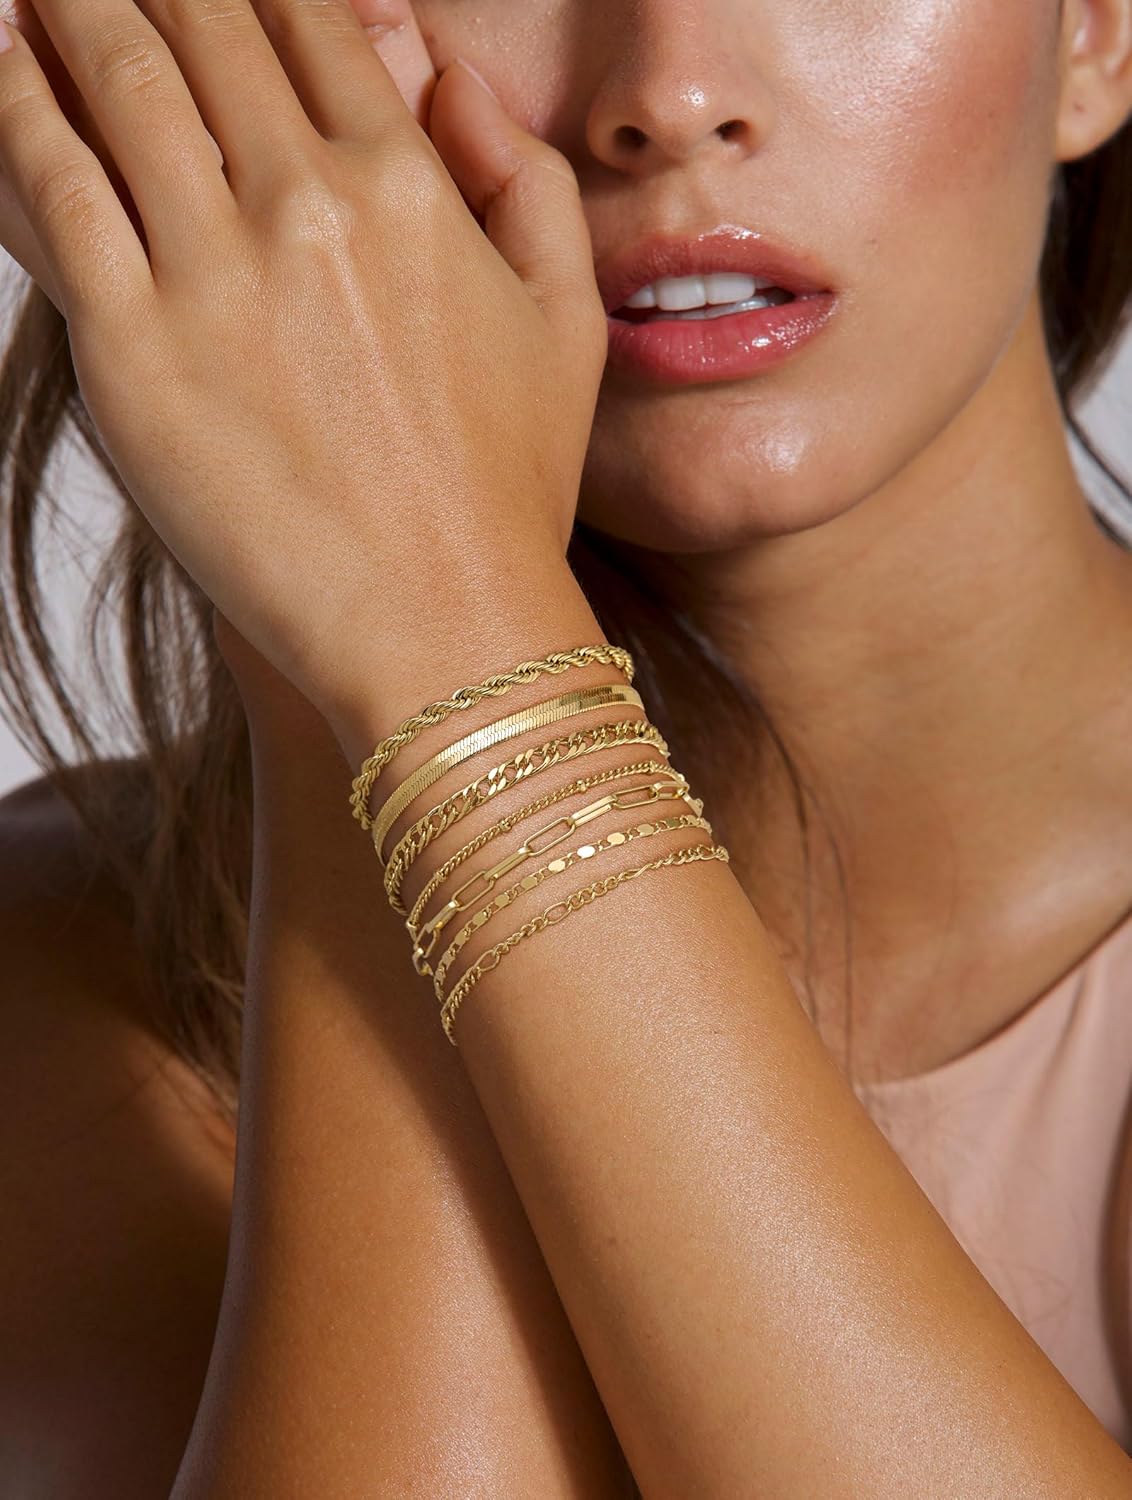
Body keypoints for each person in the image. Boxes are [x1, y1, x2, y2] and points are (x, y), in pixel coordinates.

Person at [0, 0, 1130, 1493]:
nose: (669, 93)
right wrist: (347, 661)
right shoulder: (66, 983)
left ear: (1096, 33)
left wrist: (426, 646)